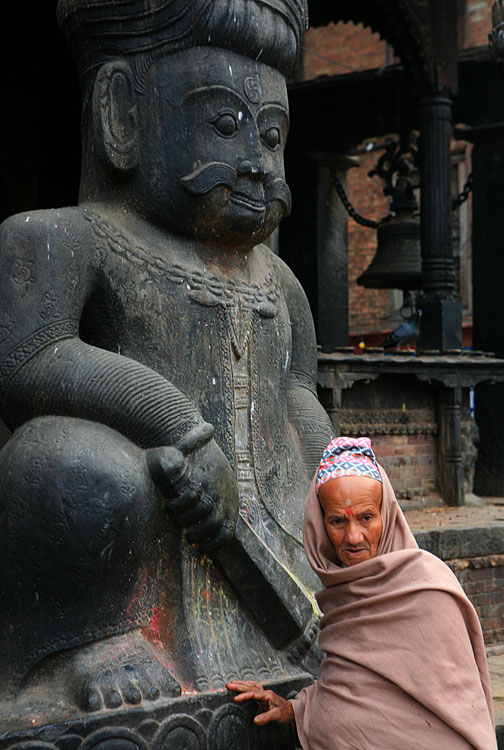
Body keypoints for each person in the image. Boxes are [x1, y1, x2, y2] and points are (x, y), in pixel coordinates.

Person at [0, 0, 333, 720]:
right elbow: (32, 360)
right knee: (59, 459)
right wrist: (176, 423)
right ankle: (90, 642)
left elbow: (297, 397)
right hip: (146, 513)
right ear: (121, 113)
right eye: (224, 124)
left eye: (272, 136)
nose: (257, 163)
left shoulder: (282, 284)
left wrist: (340, 480)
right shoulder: (62, 237)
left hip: (264, 524)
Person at [228, 436, 498, 749]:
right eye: (337, 521)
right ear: (320, 527)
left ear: (387, 515)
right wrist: (295, 709)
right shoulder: (341, 596)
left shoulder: (430, 590)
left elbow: (461, 713)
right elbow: (355, 690)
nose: (353, 537)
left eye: (366, 517)